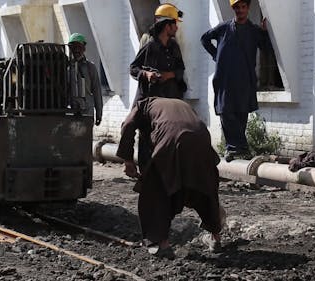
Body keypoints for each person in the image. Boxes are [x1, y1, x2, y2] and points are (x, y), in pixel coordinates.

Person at [116, 97, 224, 256]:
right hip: (201, 137)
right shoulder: (180, 105)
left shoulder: (142, 105)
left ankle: (162, 244)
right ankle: (216, 238)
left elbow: (127, 126)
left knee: (155, 192)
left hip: (172, 138)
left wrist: (128, 161)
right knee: (204, 187)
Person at [201, 0, 271, 162]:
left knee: (241, 113)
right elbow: (205, 39)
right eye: (237, 7)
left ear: (248, 8)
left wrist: (266, 32)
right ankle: (237, 148)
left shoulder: (254, 31)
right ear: (233, 9)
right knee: (225, 112)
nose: (240, 10)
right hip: (224, 79)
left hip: (244, 80)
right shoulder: (224, 28)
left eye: (243, 7)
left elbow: (267, 48)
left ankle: (235, 149)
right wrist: (216, 55)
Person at [129, 3, 186, 171]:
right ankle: (145, 172)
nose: (176, 27)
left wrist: (170, 75)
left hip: (170, 100)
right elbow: (133, 68)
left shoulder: (174, 47)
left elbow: (181, 69)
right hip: (150, 100)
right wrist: (147, 75)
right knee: (144, 133)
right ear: (166, 25)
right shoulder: (149, 45)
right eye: (174, 23)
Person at [68, 33, 103, 126]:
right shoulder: (65, 66)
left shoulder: (90, 67)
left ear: (84, 48)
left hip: (86, 111)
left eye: (79, 47)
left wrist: (99, 114)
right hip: (70, 111)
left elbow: (97, 91)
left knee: (85, 139)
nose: (76, 50)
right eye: (73, 47)